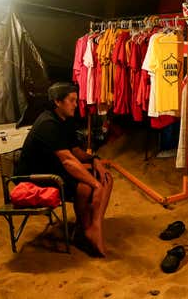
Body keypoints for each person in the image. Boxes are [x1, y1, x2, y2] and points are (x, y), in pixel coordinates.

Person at [16, 82, 113, 256]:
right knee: (87, 186)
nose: (76, 104)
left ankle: (93, 226)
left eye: (76, 100)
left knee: (106, 177)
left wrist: (95, 160)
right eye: (72, 100)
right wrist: (95, 185)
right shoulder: (48, 123)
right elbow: (68, 160)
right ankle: (86, 229)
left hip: (53, 168)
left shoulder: (66, 120)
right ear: (57, 102)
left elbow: (76, 151)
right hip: (35, 176)